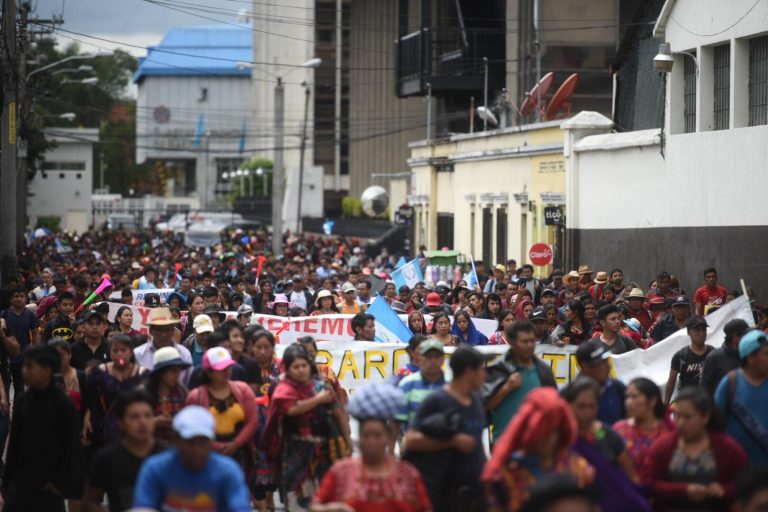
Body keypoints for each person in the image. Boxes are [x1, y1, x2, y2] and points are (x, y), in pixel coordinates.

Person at [312, 382, 431, 512]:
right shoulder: (341, 472)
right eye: (366, 436)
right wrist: (331, 509)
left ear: (388, 437)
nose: (371, 441)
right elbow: (315, 506)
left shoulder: (407, 474)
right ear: (359, 438)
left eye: (377, 435)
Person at [482, 387, 594, 512]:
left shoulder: (579, 469)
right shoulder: (506, 476)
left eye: (554, 431)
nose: (548, 438)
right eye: (542, 432)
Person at [403, 346, 487, 511]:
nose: (485, 375)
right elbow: (410, 441)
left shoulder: (476, 398)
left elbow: (477, 440)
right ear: (469, 372)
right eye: (481, 370)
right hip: (446, 495)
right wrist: (452, 442)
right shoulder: (437, 400)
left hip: (477, 493)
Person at [3, 344, 82, 512]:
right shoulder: (23, 400)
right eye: (24, 366)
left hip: (48, 489)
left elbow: (72, 447)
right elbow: (15, 441)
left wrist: (59, 483)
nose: (24, 371)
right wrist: (7, 479)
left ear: (47, 370)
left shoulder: (63, 404)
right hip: (21, 484)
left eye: (30, 367)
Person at [261, 344, 339, 509]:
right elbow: (291, 409)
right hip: (293, 452)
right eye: (296, 367)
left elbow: (337, 412)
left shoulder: (321, 386)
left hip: (320, 451)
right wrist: (318, 400)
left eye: (304, 366)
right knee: (296, 498)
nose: (301, 370)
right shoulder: (282, 388)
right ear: (287, 369)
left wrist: (345, 440)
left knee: (321, 497)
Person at [133, 405, 251, 512]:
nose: (197, 449)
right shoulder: (155, 469)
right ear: (176, 440)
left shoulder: (227, 471)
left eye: (203, 442)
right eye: (190, 442)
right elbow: (143, 508)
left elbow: (240, 507)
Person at [647, 388, 747, 512]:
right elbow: (650, 484)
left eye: (688, 417)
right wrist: (683, 490)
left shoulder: (727, 447)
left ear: (705, 417)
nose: (681, 423)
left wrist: (724, 490)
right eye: (677, 416)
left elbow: (745, 483)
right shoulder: (662, 446)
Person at [561, 377, 649, 512]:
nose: (586, 412)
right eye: (581, 406)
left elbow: (631, 476)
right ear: (569, 405)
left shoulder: (609, 435)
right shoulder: (561, 439)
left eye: (592, 406)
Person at [186, 347, 260, 496]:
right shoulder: (196, 396)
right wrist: (215, 446)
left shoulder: (243, 390)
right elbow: (191, 428)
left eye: (228, 367)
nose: (226, 371)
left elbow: (252, 421)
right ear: (209, 372)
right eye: (221, 369)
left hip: (239, 451)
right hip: (207, 453)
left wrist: (236, 443)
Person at [83, 390, 165, 512]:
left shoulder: (168, 455)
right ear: (120, 422)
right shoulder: (106, 459)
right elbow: (89, 502)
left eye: (148, 415)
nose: (142, 422)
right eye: (134, 417)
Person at [484, 321, 557, 442]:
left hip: (535, 444)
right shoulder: (499, 369)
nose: (529, 345)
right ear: (512, 343)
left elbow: (553, 406)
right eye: (524, 341)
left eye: (532, 341)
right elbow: (485, 406)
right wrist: (506, 388)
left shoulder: (543, 371)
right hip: (504, 443)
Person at [714, 329, 768, 465]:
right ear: (750, 358)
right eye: (766, 354)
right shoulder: (730, 383)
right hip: (739, 471)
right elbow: (715, 427)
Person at [88, 334, 147, 445]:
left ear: (130, 352)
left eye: (123, 350)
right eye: (115, 351)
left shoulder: (142, 373)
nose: (119, 354)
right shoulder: (100, 372)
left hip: (136, 423)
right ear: (110, 353)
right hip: (110, 424)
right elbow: (91, 398)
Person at [247, 329, 282, 511]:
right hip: (256, 425)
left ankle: (270, 499)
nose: (262, 351)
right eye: (258, 347)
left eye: (266, 347)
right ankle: (264, 501)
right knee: (260, 464)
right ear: (252, 348)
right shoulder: (247, 367)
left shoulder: (280, 366)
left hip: (277, 424)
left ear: (272, 348)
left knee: (275, 464)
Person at [613, 377, 671, 482]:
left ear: (652, 401)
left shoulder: (666, 432)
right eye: (627, 397)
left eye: (634, 397)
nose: (628, 402)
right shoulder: (618, 429)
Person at [395, 339, 447, 442]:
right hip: (413, 448)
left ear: (442, 359)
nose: (433, 361)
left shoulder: (450, 385)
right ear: (421, 358)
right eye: (429, 356)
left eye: (436, 356)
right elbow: (397, 421)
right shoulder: (406, 384)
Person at [134, 307, 193, 384]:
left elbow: (190, 383)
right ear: (151, 331)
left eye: (167, 329)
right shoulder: (138, 354)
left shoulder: (184, 354)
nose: (164, 334)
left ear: (173, 331)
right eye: (159, 330)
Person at [664, 316, 715, 405]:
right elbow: (671, 382)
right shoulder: (680, 356)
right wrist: (665, 405)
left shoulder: (713, 354)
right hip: (686, 403)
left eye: (703, 330)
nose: (701, 333)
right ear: (688, 332)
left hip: (708, 404)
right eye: (697, 330)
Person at [144, 346, 190, 442]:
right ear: (161, 372)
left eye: (179, 370)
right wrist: (156, 422)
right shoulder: (145, 394)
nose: (177, 375)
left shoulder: (182, 392)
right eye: (173, 371)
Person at [575, 343, 626, 425]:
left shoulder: (618, 388)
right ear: (585, 367)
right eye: (601, 363)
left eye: (607, 361)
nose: (608, 366)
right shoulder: (570, 394)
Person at [1, 286, 40, 395]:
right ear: (11, 299)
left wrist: (36, 355)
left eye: (22, 296)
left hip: (23, 357)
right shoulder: (4, 315)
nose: (19, 299)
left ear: (26, 298)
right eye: (16, 296)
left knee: (20, 388)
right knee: (5, 387)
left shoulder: (31, 316)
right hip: (6, 359)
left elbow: (35, 334)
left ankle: (18, 410)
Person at [699, 318, 749, 396]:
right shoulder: (714, 357)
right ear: (734, 336)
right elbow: (704, 387)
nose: (749, 338)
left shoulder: (751, 354)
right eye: (745, 335)